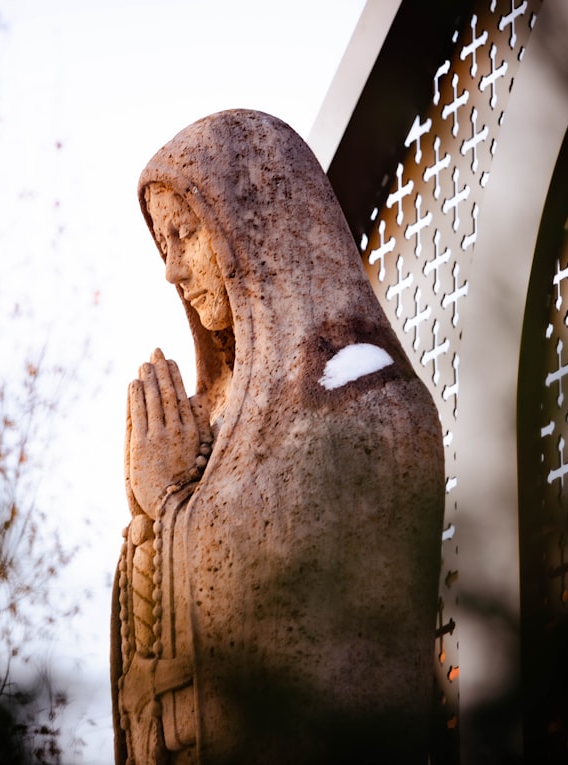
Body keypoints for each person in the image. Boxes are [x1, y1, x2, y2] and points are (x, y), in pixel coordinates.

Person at [112, 109, 444, 765]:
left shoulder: (371, 399)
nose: (172, 270)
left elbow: (302, 610)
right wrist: (150, 516)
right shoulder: (209, 427)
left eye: (185, 233)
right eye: (164, 244)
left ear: (255, 226)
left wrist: (173, 503)